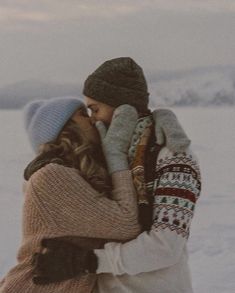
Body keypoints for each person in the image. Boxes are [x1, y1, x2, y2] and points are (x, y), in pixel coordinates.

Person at [33, 57, 201, 293]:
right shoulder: (108, 151)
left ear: (122, 108)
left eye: (95, 108)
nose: (92, 119)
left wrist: (90, 261)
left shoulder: (174, 155)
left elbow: (167, 245)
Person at [0, 97, 142, 293]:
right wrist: (115, 155)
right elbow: (127, 224)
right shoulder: (53, 177)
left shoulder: (75, 175)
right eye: (84, 114)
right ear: (66, 130)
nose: (94, 120)